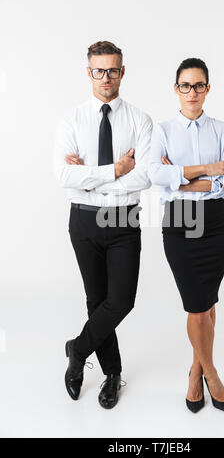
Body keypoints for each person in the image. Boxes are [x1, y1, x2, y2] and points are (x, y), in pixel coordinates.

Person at [53, 40, 152, 409]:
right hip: (83, 219)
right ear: (88, 72)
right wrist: (114, 170)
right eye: (99, 70)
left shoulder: (140, 120)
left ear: (122, 71)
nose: (106, 77)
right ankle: (112, 375)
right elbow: (64, 175)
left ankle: (77, 350)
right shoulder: (71, 120)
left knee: (121, 301)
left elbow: (143, 178)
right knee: (97, 301)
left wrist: (89, 175)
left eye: (112, 70)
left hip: (124, 217)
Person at [148, 58, 224, 414]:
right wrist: (208, 171)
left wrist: (182, 178)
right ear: (176, 89)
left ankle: (195, 368)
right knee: (197, 306)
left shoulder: (222, 129)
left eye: (198, 85)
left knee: (207, 301)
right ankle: (209, 375)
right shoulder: (164, 129)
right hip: (180, 222)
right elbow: (156, 174)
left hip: (216, 223)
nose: (192, 92)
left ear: (207, 89)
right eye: (185, 85)